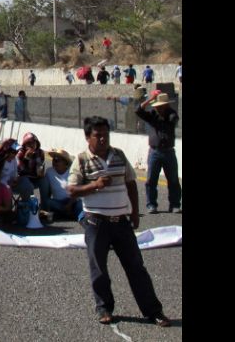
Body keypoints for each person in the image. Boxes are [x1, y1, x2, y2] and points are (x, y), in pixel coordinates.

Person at [66, 116, 171, 327]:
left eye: (106, 134)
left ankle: (153, 311)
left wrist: (134, 212)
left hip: (121, 222)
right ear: (88, 137)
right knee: (99, 268)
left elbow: (131, 183)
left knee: (136, 267)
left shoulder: (119, 155)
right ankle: (104, 308)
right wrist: (94, 185)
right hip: (96, 222)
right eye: (98, 135)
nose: (103, 139)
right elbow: (72, 190)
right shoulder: (81, 160)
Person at [136, 91, 181, 214]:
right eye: (157, 106)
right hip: (155, 151)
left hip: (168, 152)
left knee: (173, 180)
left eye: (161, 106)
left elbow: (173, 119)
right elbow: (138, 110)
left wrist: (165, 112)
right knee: (151, 180)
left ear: (165, 106)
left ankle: (175, 204)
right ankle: (151, 204)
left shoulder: (171, 114)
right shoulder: (152, 115)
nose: (158, 108)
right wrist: (150, 100)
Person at [39, 148, 83, 221]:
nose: (54, 162)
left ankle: (68, 214)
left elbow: (76, 193)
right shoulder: (49, 171)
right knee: (48, 202)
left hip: (72, 201)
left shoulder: (71, 173)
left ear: (65, 163)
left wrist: (69, 205)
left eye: (57, 160)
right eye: (53, 160)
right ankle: (68, 214)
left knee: (80, 204)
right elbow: (48, 190)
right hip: (58, 202)